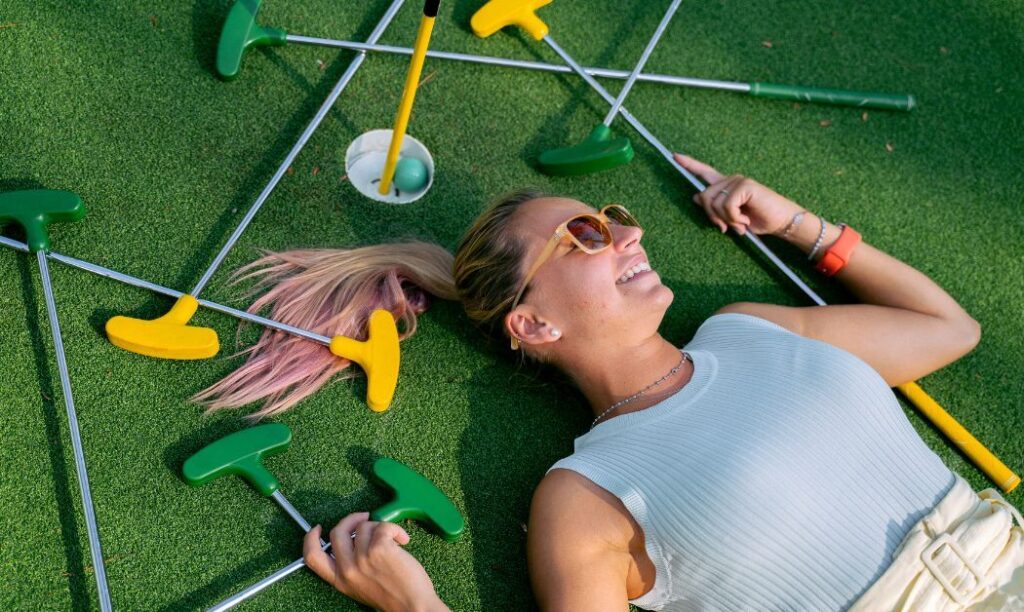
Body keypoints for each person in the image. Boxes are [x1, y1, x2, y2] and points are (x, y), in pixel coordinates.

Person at [199, 155, 1023, 610]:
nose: (626, 233)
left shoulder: (749, 327)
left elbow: (950, 332)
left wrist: (803, 225)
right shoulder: (584, 497)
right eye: (586, 234)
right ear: (535, 325)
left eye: (615, 217)